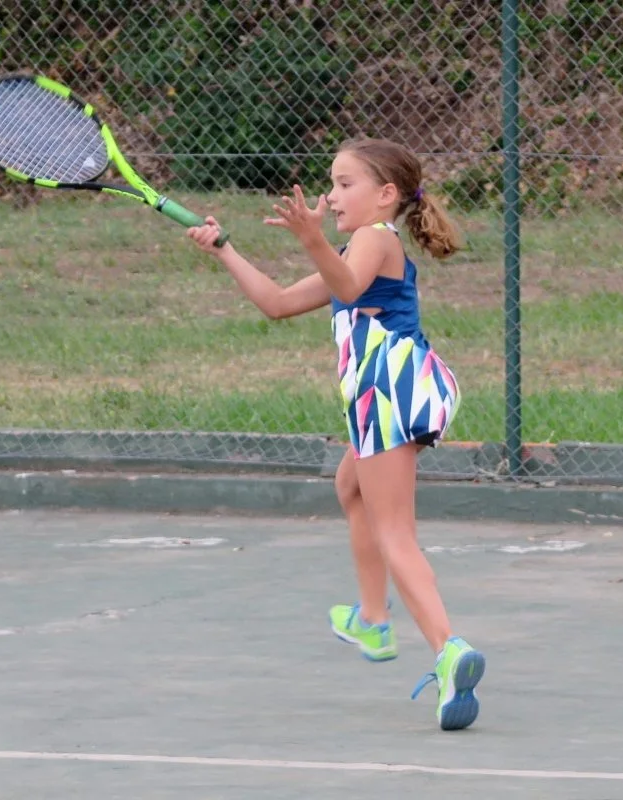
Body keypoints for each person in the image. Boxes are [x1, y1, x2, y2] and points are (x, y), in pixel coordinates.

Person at [186, 138, 485, 731]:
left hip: (387, 390)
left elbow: (347, 287)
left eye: (345, 184)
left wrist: (311, 237)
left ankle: (449, 650)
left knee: (395, 532)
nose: (331, 195)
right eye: (331, 182)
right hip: (389, 392)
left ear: (386, 195)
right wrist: (224, 248)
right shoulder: (354, 250)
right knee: (351, 488)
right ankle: (373, 619)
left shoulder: (375, 239)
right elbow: (275, 302)